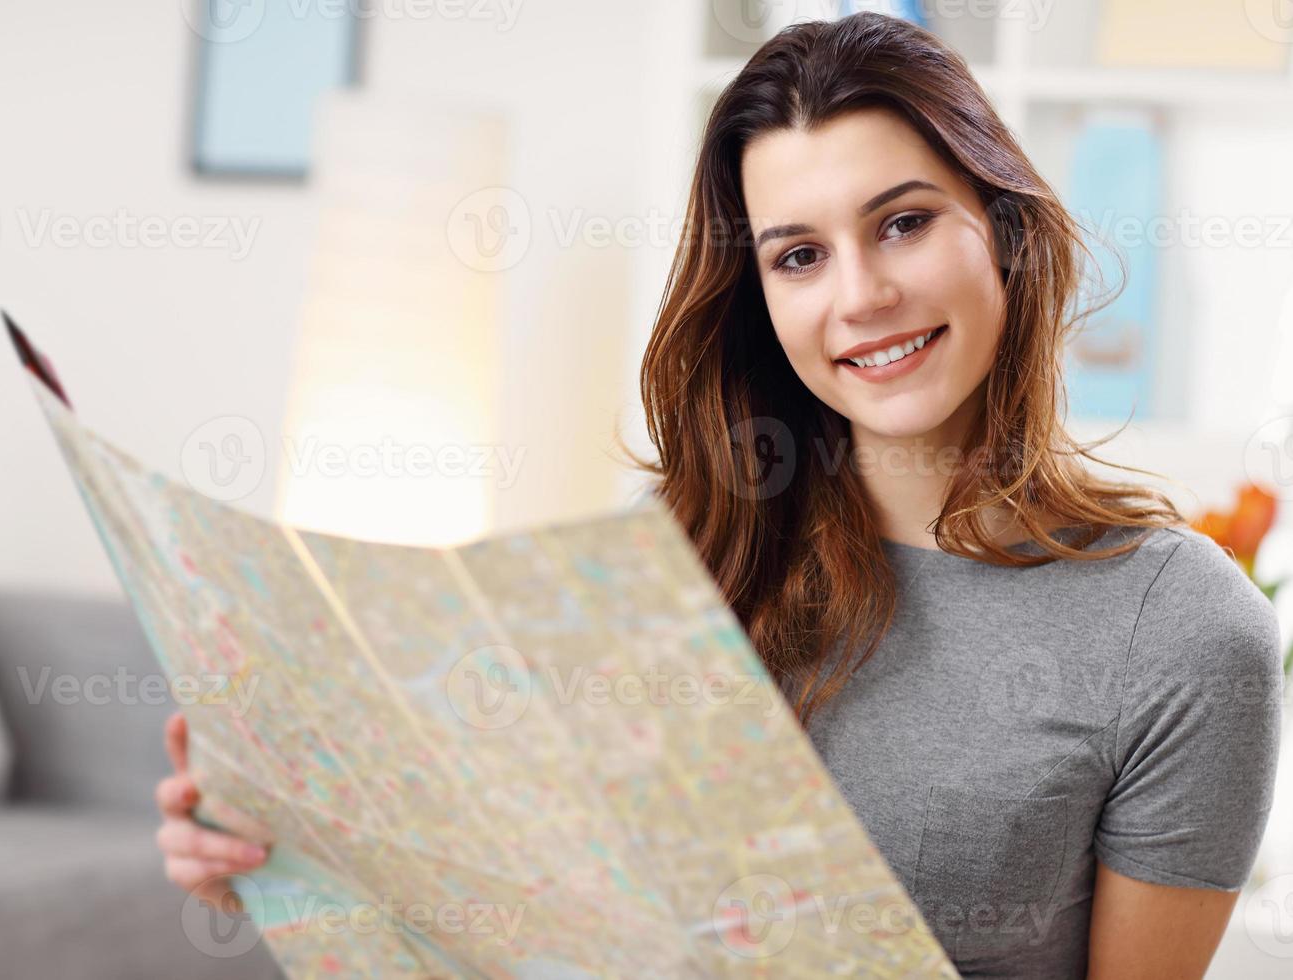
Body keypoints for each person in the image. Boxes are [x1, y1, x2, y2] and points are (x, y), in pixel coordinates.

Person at [156, 12, 1284, 977]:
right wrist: (279, 857)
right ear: (758, 296)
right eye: (798, 255)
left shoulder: (1180, 630)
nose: (863, 295)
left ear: (1001, 228)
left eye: (902, 221)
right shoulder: (675, 558)